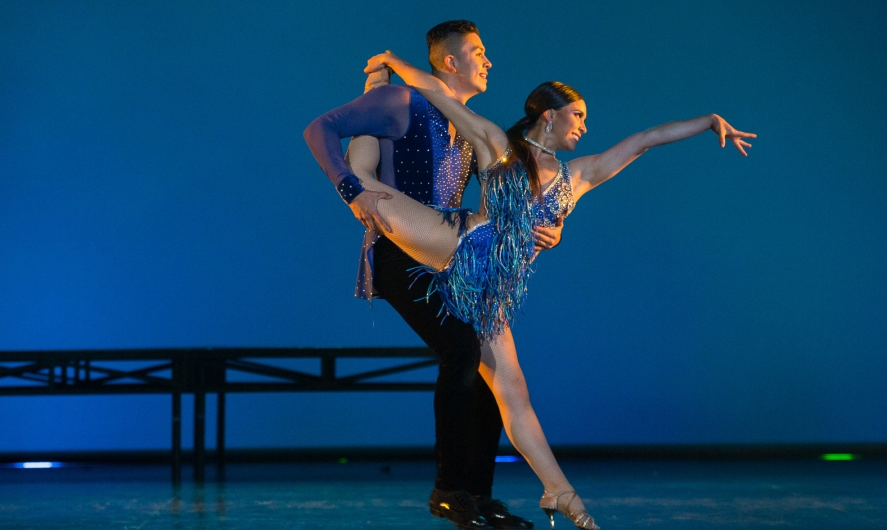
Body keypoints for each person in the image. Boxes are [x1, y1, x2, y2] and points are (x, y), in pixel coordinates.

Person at [306, 50, 756, 529]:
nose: (584, 126)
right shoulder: (499, 148)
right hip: (459, 246)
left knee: (512, 393)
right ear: (549, 115)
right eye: (577, 115)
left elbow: (644, 141)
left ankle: (559, 491)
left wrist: (709, 122)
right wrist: (393, 65)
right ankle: (370, 98)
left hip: (493, 290)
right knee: (372, 187)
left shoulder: (576, 178)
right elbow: (438, 94)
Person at [304, 21, 560, 529]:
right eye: (478, 52)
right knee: (461, 349)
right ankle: (448, 489)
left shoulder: (465, 127)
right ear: (448, 62)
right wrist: (349, 189)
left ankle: (478, 497)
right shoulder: (401, 101)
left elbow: (499, 197)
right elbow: (319, 128)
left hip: (451, 259)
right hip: (400, 253)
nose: (488, 61)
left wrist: (533, 228)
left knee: (485, 365)